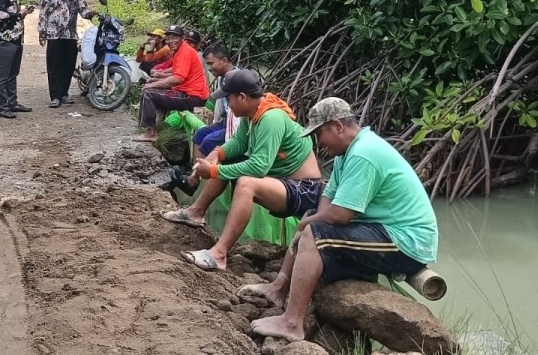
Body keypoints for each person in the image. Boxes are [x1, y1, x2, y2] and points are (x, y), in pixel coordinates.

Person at [243, 97, 440, 342]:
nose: (319, 142)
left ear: (337, 126)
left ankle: (292, 323)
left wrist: (309, 225)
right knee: (311, 217)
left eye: (320, 133)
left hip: (407, 241)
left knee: (316, 233)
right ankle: (279, 287)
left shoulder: (363, 153)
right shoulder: (345, 154)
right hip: (382, 231)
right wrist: (311, 219)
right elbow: (329, 197)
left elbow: (341, 215)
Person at [161, 69, 323, 271]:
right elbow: (238, 142)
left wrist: (212, 172)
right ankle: (195, 212)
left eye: (228, 100)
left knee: (247, 183)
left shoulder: (271, 118)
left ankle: (218, 254)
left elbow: (259, 166)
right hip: (282, 183)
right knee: (225, 162)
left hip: (304, 189)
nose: (227, 105)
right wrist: (217, 155)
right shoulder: (252, 113)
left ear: (242, 97)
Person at [38, 0, 98, 108]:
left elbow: (83, 11)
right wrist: (42, 32)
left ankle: (64, 94)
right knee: (54, 66)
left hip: (70, 34)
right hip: (53, 35)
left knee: (69, 65)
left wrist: (91, 14)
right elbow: (43, 13)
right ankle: (55, 96)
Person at [135, 25, 209, 142]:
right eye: (168, 38)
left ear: (182, 38)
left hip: (192, 96)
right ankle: (158, 127)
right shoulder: (179, 50)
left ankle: (151, 133)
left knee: (148, 93)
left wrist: (154, 84)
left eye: (174, 38)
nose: (170, 41)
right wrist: (161, 75)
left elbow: (178, 78)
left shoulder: (185, 52)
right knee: (151, 90)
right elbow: (175, 69)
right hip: (187, 92)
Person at [192, 43, 237, 160]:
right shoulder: (223, 78)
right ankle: (194, 171)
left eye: (211, 63)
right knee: (199, 135)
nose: (209, 68)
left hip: (237, 124)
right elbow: (220, 104)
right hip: (226, 121)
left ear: (224, 60)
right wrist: (215, 122)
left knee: (208, 141)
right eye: (207, 64)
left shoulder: (237, 79)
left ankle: (203, 174)